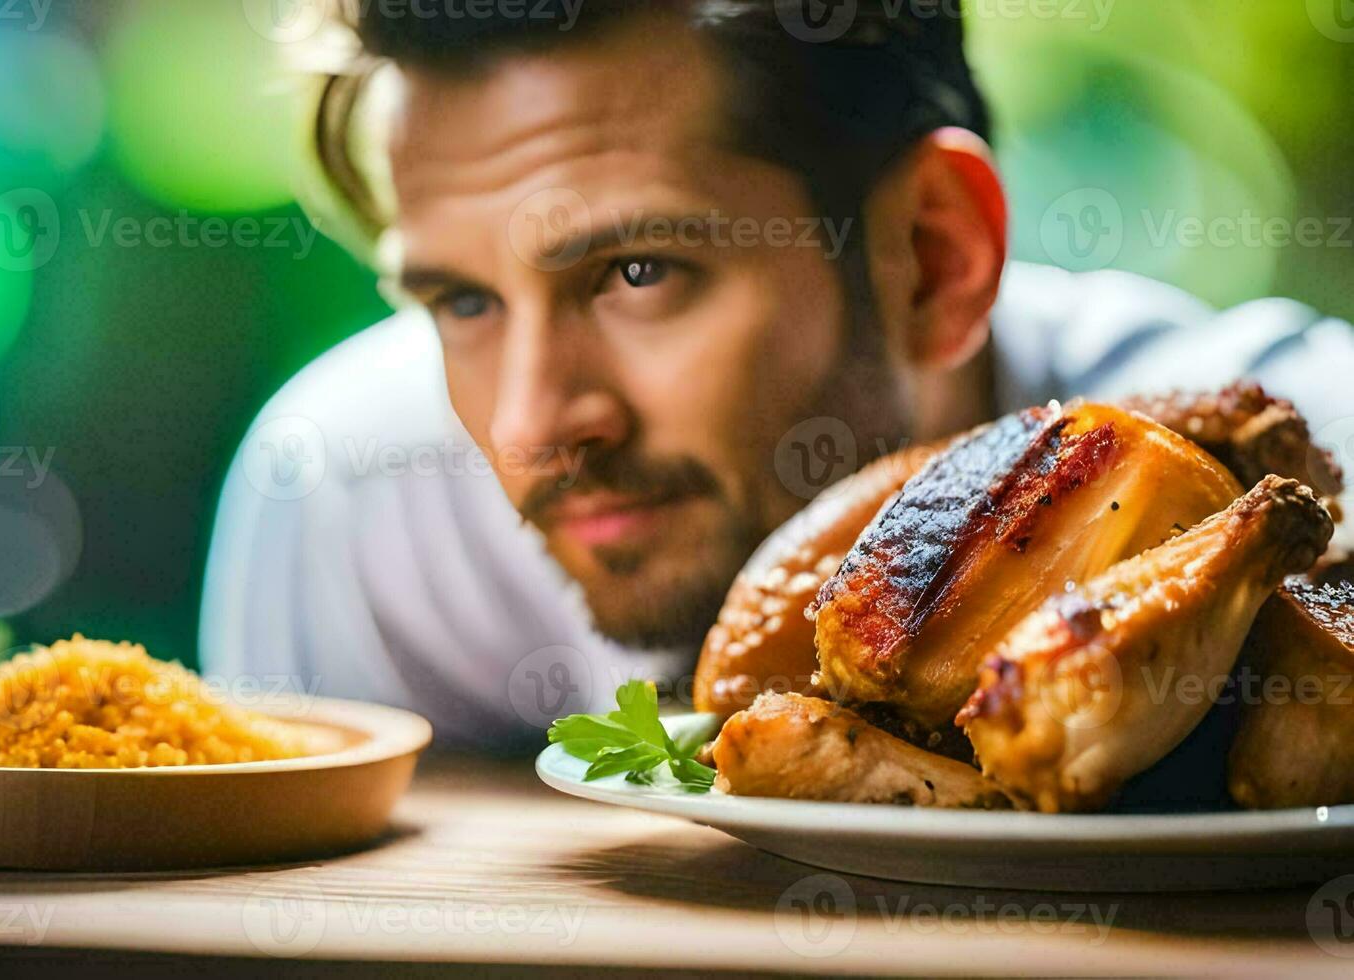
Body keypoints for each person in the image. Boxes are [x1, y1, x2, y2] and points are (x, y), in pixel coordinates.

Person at [200, 1, 1354, 745]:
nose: (532, 423)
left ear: (934, 258)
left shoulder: (1319, 430)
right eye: (463, 301)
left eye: (638, 270)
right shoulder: (358, 497)